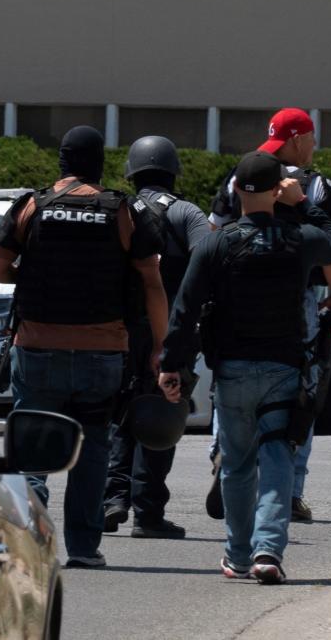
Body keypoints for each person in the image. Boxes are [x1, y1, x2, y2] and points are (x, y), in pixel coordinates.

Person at [0, 125, 168, 568]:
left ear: (62, 160)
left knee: (32, 448)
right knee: (93, 447)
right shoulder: (120, 210)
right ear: (99, 160)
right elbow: (151, 282)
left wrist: (23, 278)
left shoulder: (33, 205)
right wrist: (161, 345)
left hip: (37, 346)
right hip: (102, 352)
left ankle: (27, 543)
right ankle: (84, 549)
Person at [159, 150, 331, 584]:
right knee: (278, 454)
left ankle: (238, 555)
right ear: (277, 192)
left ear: (237, 191)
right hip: (283, 366)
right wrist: (302, 203)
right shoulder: (299, 238)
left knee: (237, 464)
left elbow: (184, 311)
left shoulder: (214, 244)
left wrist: (172, 365)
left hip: (232, 370)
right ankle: (268, 550)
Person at [206, 108, 331, 523]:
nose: (314, 147)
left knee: (230, 377)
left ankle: (225, 455)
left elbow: (214, 235)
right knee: (301, 388)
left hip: (235, 293)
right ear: (299, 139)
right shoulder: (315, 187)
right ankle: (289, 490)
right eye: (312, 139)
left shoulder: (239, 177)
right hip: (295, 296)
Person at [102, 135, 210, 539]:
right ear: (172, 171)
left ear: (133, 172)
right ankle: (148, 513)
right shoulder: (186, 213)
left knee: (119, 415)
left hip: (119, 330)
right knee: (162, 414)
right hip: (174, 330)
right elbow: (208, 258)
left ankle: (113, 499)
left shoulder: (118, 210)